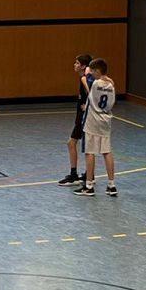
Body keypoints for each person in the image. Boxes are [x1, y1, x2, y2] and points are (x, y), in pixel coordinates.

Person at [74, 59, 117, 197]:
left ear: (97, 71)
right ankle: (111, 185)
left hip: (92, 121)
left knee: (89, 152)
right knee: (107, 152)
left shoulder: (94, 83)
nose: (90, 73)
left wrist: (87, 73)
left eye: (92, 71)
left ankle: (89, 185)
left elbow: (86, 81)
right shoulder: (111, 85)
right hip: (105, 120)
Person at [58, 54, 93, 187]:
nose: (75, 65)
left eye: (77, 63)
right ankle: (89, 174)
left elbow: (92, 93)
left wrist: (88, 104)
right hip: (82, 115)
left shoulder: (84, 79)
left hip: (84, 117)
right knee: (87, 146)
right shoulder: (83, 78)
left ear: (84, 66)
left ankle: (74, 175)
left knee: (72, 143)